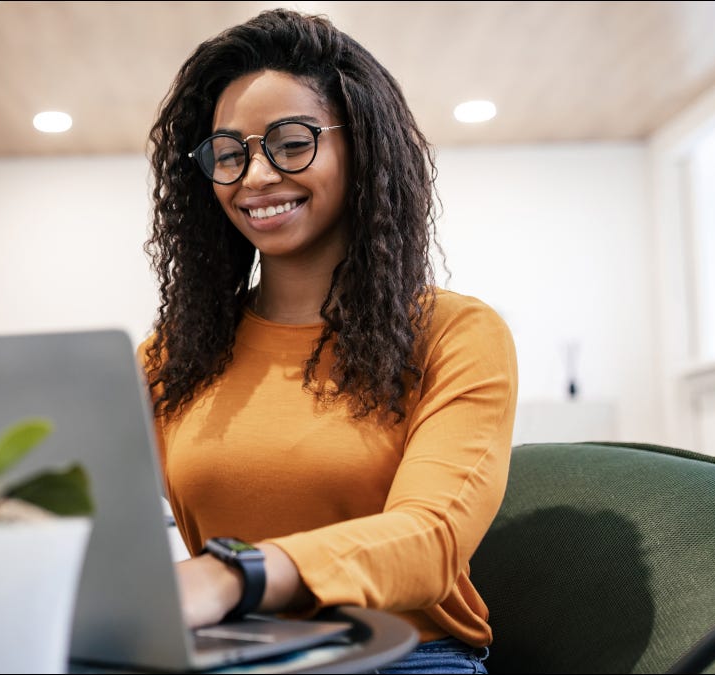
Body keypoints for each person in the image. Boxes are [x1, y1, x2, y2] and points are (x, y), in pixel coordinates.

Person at [137, 8, 517, 674]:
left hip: (404, 655)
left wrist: (236, 575)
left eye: (291, 142)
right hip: (229, 652)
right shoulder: (174, 353)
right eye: (229, 154)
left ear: (362, 147)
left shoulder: (456, 333)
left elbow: (432, 539)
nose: (254, 177)